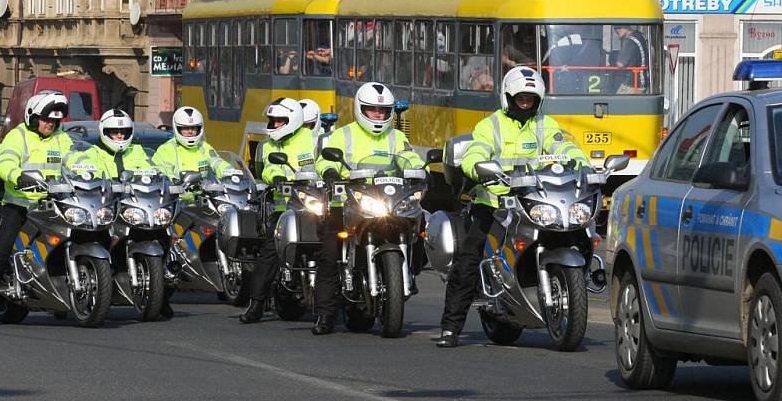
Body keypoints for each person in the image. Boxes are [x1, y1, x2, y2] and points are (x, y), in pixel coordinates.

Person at [436, 67, 589, 348]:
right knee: (469, 257)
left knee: (577, 231)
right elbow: (476, 152)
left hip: (534, 199)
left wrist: (581, 163)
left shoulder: (545, 125)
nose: (526, 102)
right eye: (521, 98)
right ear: (508, 97)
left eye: (531, 98)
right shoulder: (490, 126)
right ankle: (451, 328)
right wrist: (479, 168)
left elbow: (564, 146)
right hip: (494, 201)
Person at [312, 82, 424, 335]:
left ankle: (409, 273)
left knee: (420, 226)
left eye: (383, 111)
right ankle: (325, 315)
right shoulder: (343, 135)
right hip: (349, 201)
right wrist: (329, 171)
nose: (378, 115)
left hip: (387, 200)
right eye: (372, 110)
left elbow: (410, 157)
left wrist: (419, 169)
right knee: (330, 253)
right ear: (361, 109)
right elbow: (325, 159)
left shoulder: (397, 137)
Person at [0, 91, 74, 326]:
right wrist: (18, 176)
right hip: (19, 204)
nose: (50, 125)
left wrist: (86, 170)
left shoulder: (61, 138)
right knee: (2, 249)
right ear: (33, 117)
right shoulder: (18, 136)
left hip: (52, 203)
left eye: (55, 121)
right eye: (46, 120)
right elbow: (4, 163)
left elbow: (74, 159)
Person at [239, 98, 315, 324]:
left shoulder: (313, 140)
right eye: (272, 120)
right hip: (282, 208)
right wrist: (277, 177)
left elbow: (323, 165)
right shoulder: (267, 146)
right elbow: (267, 169)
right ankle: (256, 304)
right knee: (270, 250)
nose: (274, 124)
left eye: (279, 121)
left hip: (312, 204)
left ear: (292, 120)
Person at [152, 106, 230, 318]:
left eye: (194, 129)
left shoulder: (205, 148)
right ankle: (161, 297)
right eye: (186, 130)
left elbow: (217, 163)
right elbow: (161, 172)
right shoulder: (166, 150)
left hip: (203, 202)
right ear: (178, 130)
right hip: (178, 203)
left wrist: (231, 172)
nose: (190, 133)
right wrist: (174, 182)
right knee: (170, 249)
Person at [79, 109, 153, 178]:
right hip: (104, 191)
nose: (119, 135)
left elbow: (150, 170)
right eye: (114, 132)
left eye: (123, 132)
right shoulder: (93, 153)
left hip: (134, 191)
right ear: (104, 132)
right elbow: (85, 173)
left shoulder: (137, 151)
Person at [612, 25, 649, 93]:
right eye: (615, 28)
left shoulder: (629, 41)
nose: (617, 30)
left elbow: (620, 64)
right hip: (644, 80)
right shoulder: (640, 36)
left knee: (616, 101)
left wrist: (613, 59)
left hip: (633, 84)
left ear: (627, 26)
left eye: (619, 27)